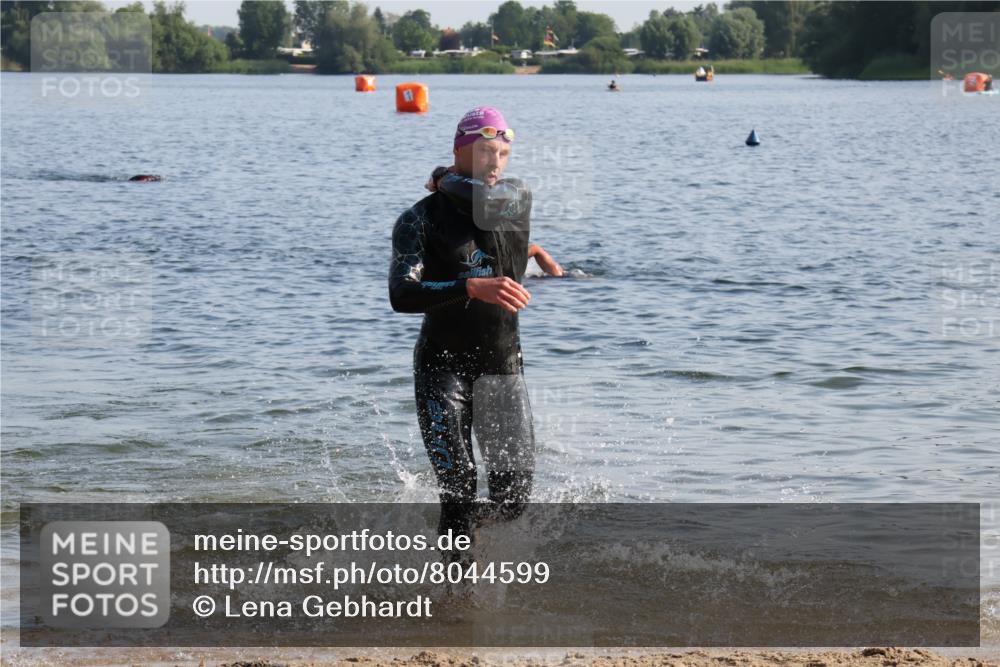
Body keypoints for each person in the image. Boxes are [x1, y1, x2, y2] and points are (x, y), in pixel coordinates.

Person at [389, 106, 550, 556]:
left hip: (501, 366)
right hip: (443, 367)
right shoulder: (418, 220)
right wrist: (469, 287)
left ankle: (464, 528)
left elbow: (490, 213)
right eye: (483, 151)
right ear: (459, 150)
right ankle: (454, 597)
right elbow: (403, 294)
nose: (495, 161)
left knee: (513, 500)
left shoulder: (515, 201)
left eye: (502, 152)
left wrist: (537, 253)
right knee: (458, 484)